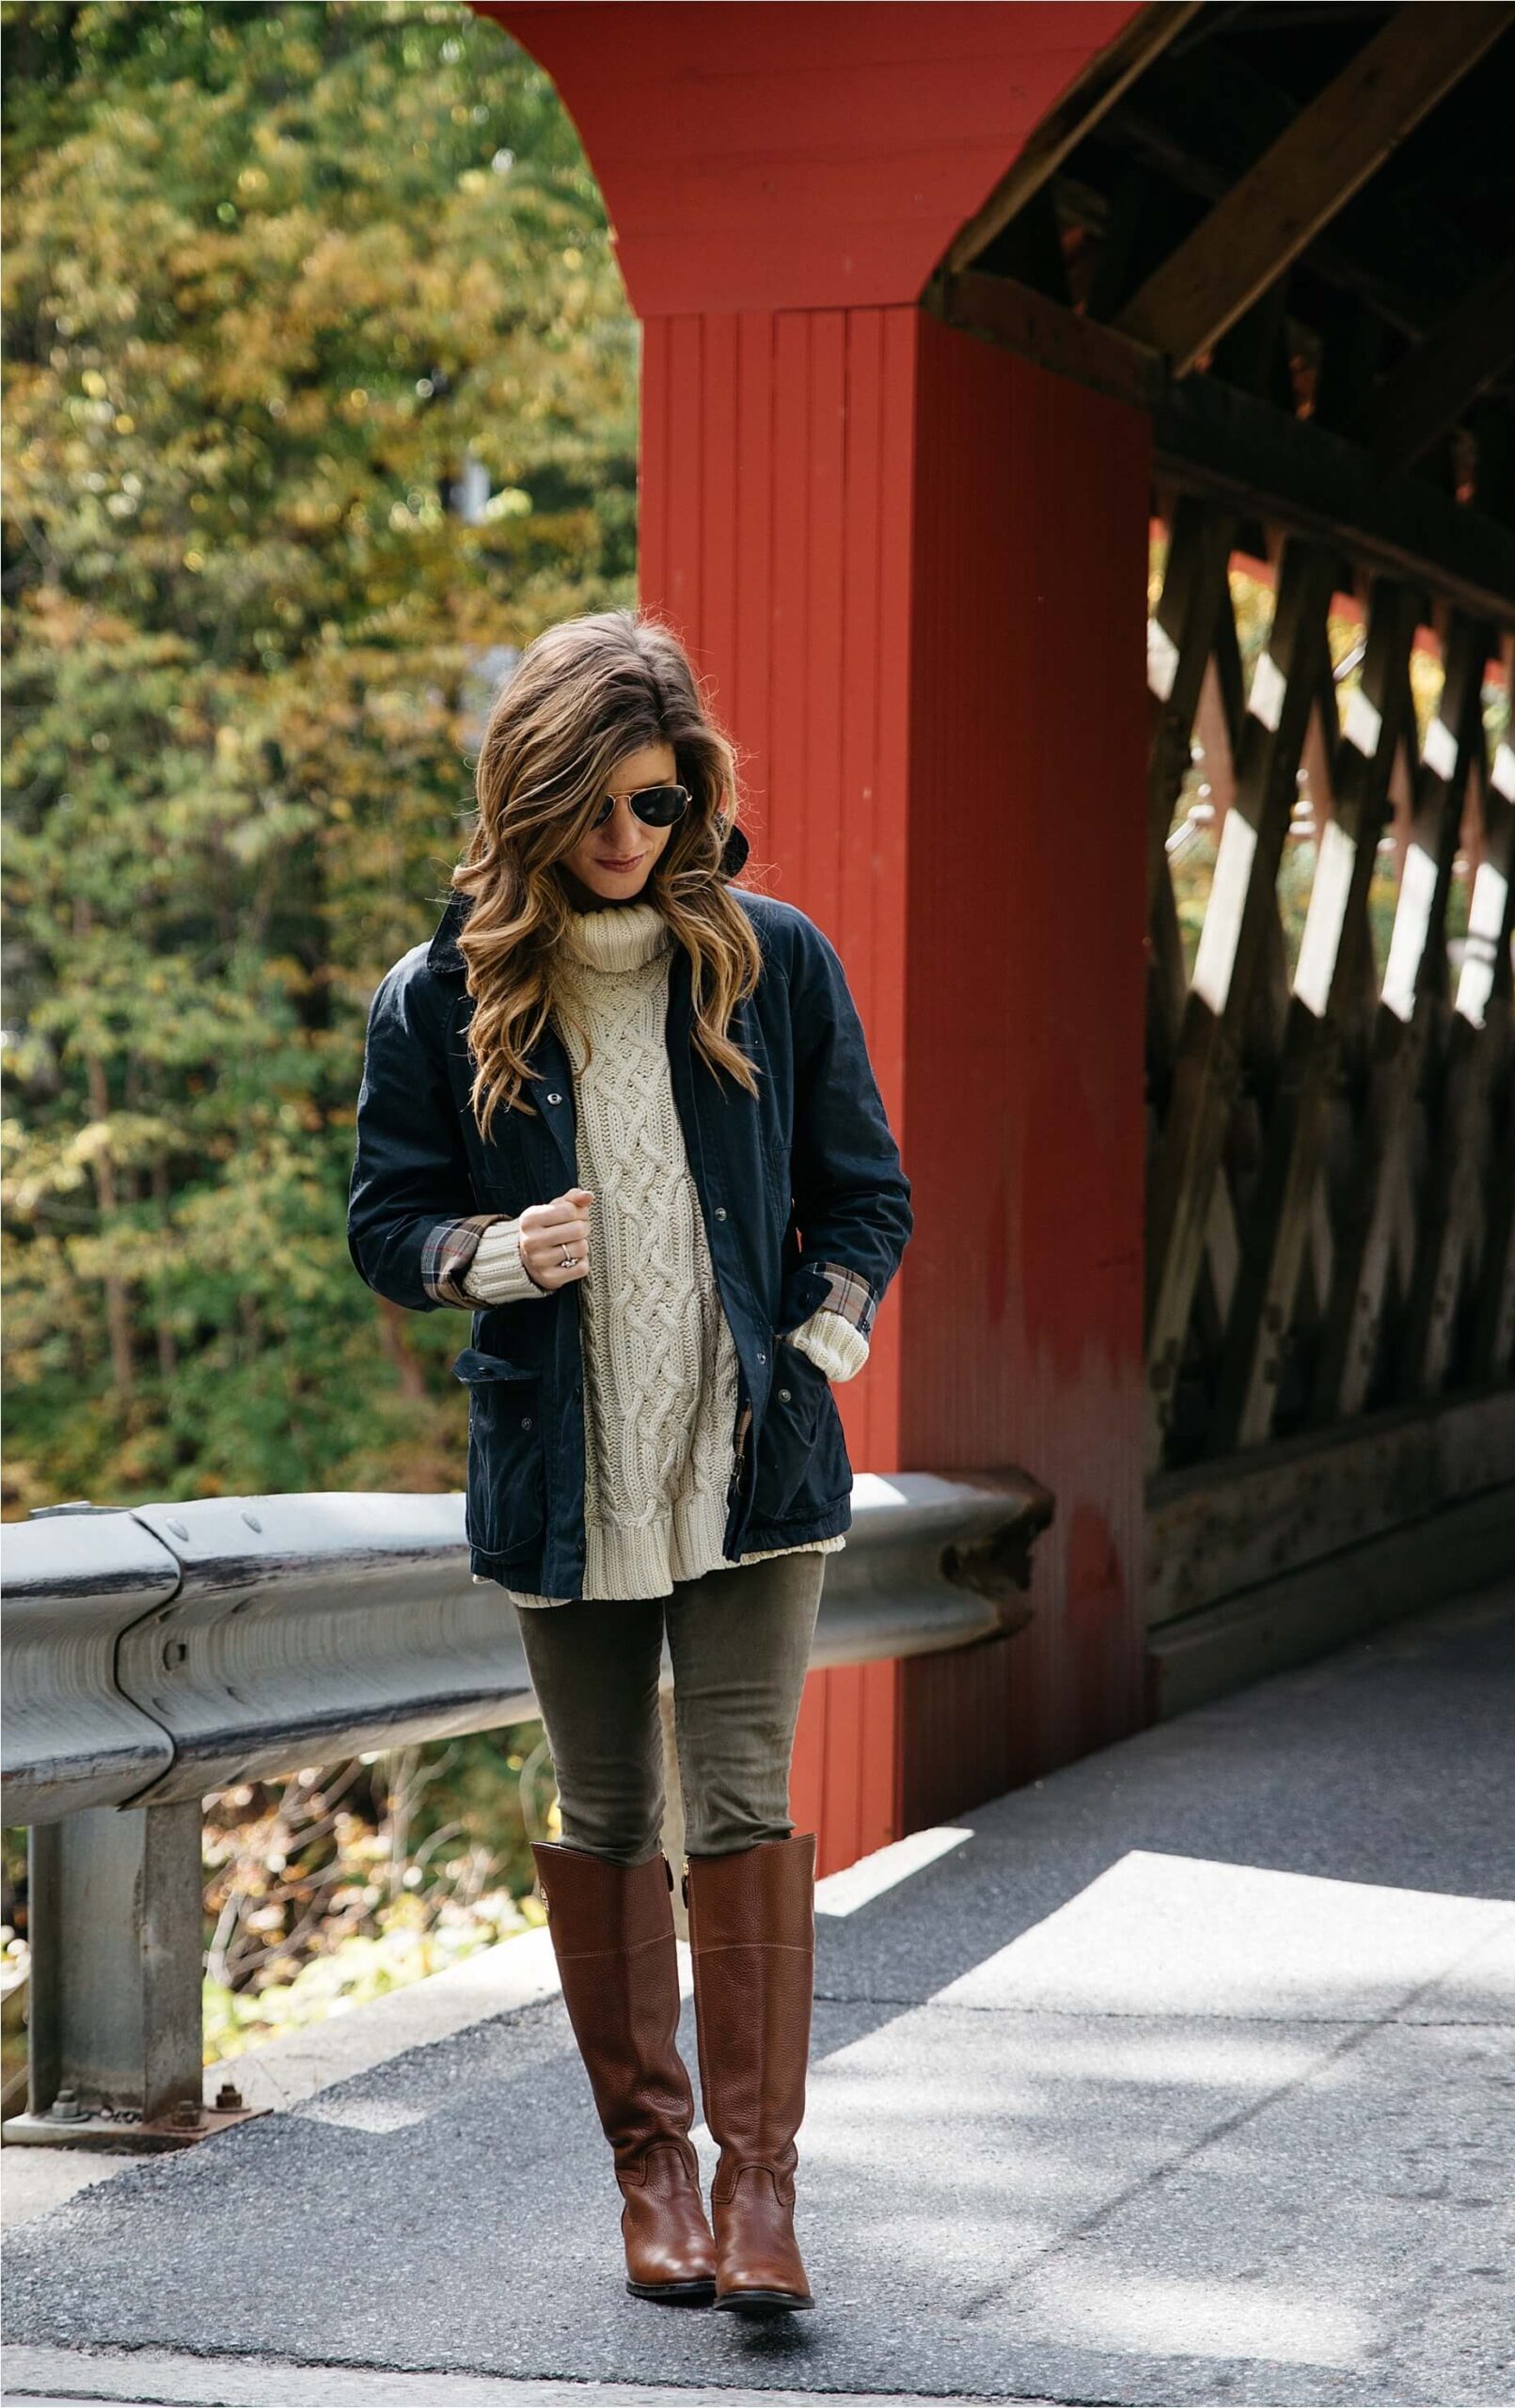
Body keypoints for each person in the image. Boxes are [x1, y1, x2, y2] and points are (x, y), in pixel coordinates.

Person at [346, 608, 912, 2316]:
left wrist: (814, 1342)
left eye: (656, 804)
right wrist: (496, 1255)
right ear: (530, 798)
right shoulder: (435, 997)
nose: (625, 839)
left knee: (740, 1804)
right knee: (606, 1815)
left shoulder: (772, 959)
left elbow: (865, 1195)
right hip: (561, 1469)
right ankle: (649, 2178)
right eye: (592, 805)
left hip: (749, 1470)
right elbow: (386, 1222)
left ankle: (760, 2196)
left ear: (693, 801)